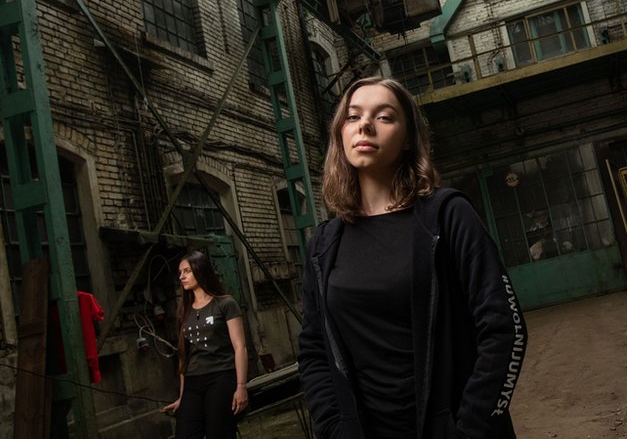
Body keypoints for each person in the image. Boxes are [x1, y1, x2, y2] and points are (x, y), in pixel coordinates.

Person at [297, 76, 528, 438]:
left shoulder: (447, 216)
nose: (366, 126)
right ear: (340, 134)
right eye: (353, 117)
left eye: (384, 117)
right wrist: (334, 428)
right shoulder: (323, 246)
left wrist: (469, 429)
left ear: (408, 140)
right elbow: (313, 351)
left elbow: (505, 330)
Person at [161, 250, 249, 438]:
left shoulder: (225, 303)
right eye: (180, 273)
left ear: (200, 271)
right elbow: (184, 356)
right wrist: (182, 398)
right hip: (193, 381)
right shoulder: (184, 310)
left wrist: (241, 386)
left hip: (221, 377)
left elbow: (240, 347)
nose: (182, 277)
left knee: (219, 433)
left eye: (187, 271)